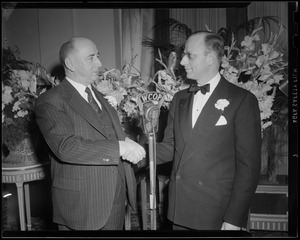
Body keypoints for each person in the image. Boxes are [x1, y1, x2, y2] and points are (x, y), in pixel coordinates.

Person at [35, 37, 146, 230]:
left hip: (115, 196)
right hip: (82, 204)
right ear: (70, 63)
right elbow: (66, 147)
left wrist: (127, 140)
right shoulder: (50, 100)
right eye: (91, 58)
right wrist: (121, 146)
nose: (100, 64)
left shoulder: (101, 97)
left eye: (98, 56)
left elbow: (107, 134)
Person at [156, 31, 262, 230]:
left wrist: (233, 219)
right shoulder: (180, 99)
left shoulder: (242, 101)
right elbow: (171, 147)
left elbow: (249, 167)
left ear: (211, 58)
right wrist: (136, 151)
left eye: (190, 55)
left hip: (217, 212)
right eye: (183, 55)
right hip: (180, 208)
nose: (182, 62)